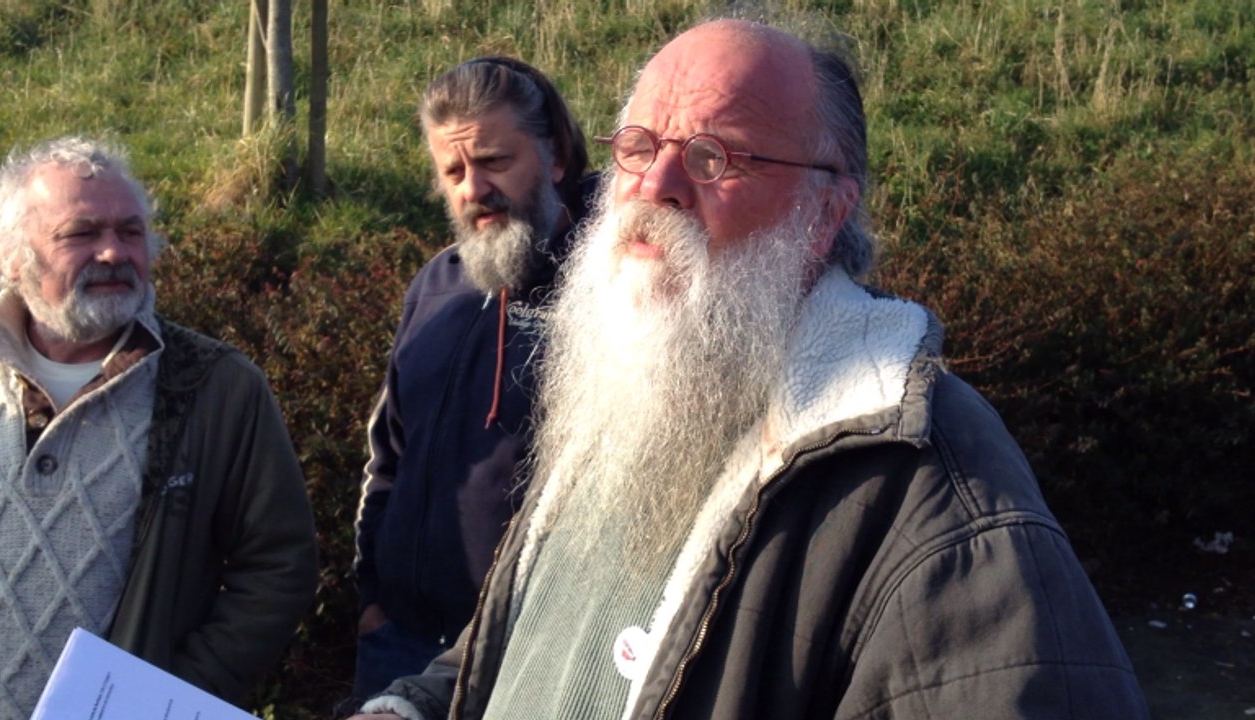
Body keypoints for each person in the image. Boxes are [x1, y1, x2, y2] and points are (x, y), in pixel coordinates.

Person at [349, 18, 1153, 720]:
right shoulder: (628, 387)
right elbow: (537, 643)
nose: (655, 187)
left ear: (825, 210)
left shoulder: (936, 491)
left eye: (713, 158)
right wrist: (412, 704)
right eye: (638, 148)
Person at [0, 136, 319, 720]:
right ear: (13, 257)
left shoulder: (216, 386)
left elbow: (279, 567)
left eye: (130, 232)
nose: (113, 252)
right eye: (81, 233)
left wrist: (171, 698)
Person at [351, 56, 592, 700]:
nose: (473, 189)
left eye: (494, 161)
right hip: (395, 642)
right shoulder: (436, 285)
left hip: (526, 654)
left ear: (556, 157)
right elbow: (387, 455)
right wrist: (370, 600)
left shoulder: (609, 293)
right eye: (453, 171)